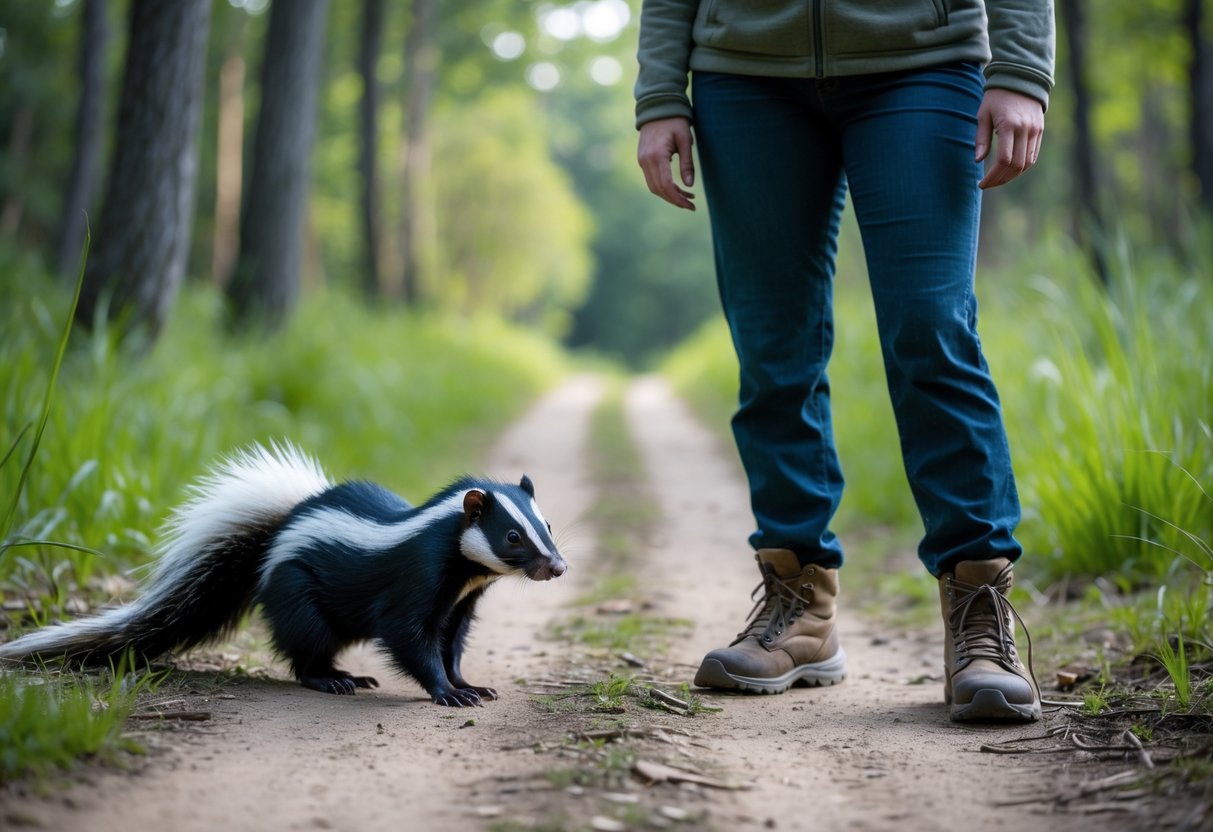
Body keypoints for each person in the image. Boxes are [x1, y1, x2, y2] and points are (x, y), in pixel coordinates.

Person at [635, 0, 1053, 722]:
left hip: (923, 60)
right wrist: (658, 93)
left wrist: (1019, 68)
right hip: (743, 74)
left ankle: (978, 613)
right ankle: (800, 607)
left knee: (931, 327)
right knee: (772, 345)